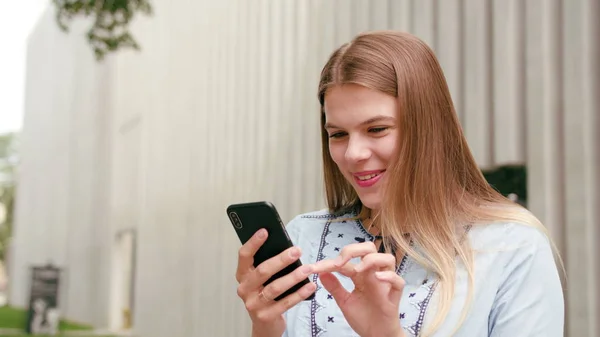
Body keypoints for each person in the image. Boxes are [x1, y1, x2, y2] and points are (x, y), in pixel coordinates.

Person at [234, 31, 564, 337]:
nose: (353, 154)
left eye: (377, 129)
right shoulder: (302, 237)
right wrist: (265, 327)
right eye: (337, 134)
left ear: (428, 127)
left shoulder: (511, 247)